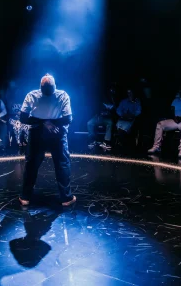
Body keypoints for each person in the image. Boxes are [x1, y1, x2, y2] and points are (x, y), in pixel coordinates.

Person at [19, 74, 75, 206]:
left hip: (38, 132)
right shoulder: (62, 95)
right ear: (55, 86)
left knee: (31, 164)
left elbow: (23, 117)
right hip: (56, 132)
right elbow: (68, 119)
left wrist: (44, 122)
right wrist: (49, 123)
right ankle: (66, 198)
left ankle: (25, 197)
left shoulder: (32, 95)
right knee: (62, 164)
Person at [148, 88, 181, 158]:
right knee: (160, 124)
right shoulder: (176, 100)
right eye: (180, 91)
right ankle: (156, 146)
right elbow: (172, 110)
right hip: (175, 120)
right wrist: (174, 118)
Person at [87, 86, 118, 151]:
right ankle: (93, 140)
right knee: (89, 123)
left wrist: (108, 113)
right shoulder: (99, 99)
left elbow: (115, 111)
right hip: (98, 117)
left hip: (107, 118)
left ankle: (106, 141)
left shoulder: (113, 100)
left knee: (110, 123)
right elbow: (95, 109)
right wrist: (99, 113)